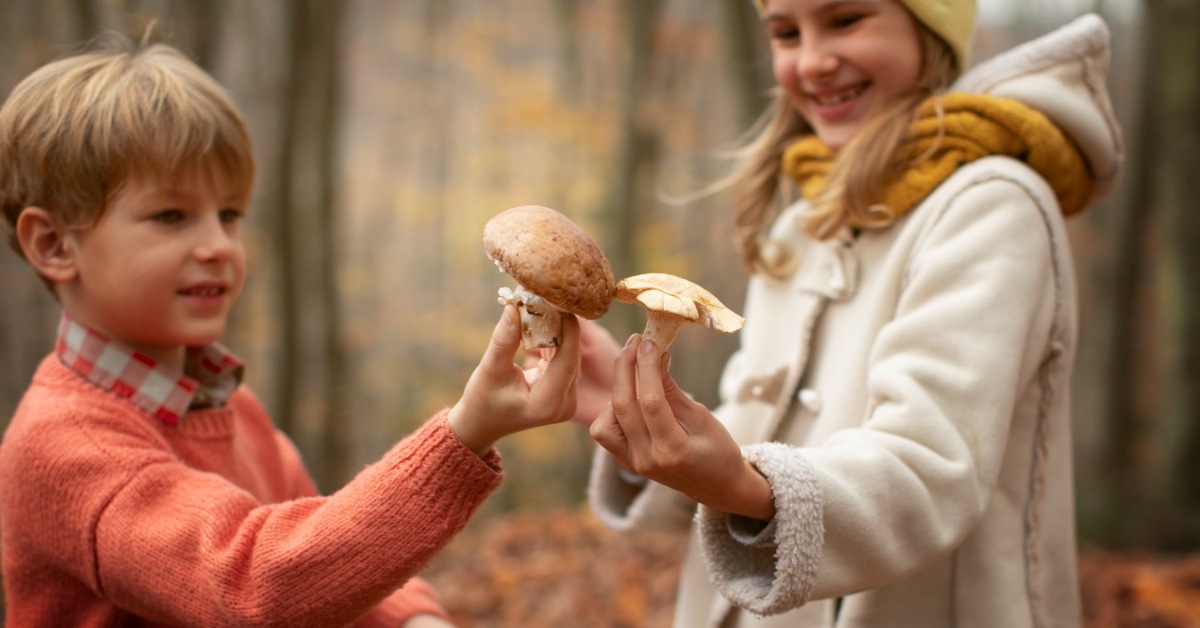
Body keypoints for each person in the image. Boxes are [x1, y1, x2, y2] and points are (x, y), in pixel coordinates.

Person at [0, 36, 581, 627]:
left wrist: (412, 619)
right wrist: (465, 432)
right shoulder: (65, 447)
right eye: (170, 216)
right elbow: (253, 583)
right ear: (53, 245)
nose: (217, 246)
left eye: (229, 215)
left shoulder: (234, 408)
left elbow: (327, 547)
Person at [579, 1, 1123, 627]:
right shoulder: (800, 227)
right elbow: (753, 428)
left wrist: (739, 483)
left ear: (930, 30)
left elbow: (930, 468)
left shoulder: (991, 206)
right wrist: (636, 420)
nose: (812, 61)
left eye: (845, 20)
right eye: (786, 33)